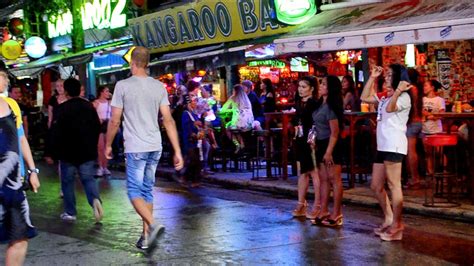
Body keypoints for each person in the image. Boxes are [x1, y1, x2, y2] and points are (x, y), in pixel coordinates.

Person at [105, 46, 184, 253]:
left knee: (133, 191)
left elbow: (114, 120)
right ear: (147, 64)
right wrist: (177, 150)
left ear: (132, 62)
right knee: (147, 190)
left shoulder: (122, 86)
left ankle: (153, 224)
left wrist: (107, 144)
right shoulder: (158, 87)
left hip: (135, 147)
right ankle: (146, 237)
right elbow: (168, 120)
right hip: (154, 146)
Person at [360, 64, 412, 241]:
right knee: (376, 185)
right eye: (386, 75)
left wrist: (397, 91)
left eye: (390, 75)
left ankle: (398, 225)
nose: (386, 77)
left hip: (394, 144)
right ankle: (389, 217)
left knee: (394, 184)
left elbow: (390, 109)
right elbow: (364, 97)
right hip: (382, 145)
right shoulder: (384, 96)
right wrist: (372, 77)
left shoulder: (404, 97)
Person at [0, 70, 40, 265]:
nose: (5, 80)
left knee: (20, 237)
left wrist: (32, 171)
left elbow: (21, 138)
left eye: (5, 77)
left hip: (14, 185)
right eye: (2, 76)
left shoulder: (11, 105)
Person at [51, 78, 103, 223]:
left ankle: (70, 212)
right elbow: (97, 127)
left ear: (66, 91)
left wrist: (52, 152)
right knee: (88, 179)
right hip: (86, 152)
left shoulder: (61, 109)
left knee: (67, 182)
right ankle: (95, 201)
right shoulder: (88, 106)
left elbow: (56, 132)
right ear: (79, 89)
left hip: (67, 153)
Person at [310, 75, 344, 227]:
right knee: (323, 179)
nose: (321, 86)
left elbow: (335, 132)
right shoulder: (320, 104)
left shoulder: (331, 107)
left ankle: (336, 213)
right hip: (320, 143)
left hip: (331, 144)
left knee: (334, 179)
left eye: (323, 84)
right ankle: (323, 210)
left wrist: (329, 151)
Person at [291, 76, 320, 219]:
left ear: (312, 88)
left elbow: (316, 122)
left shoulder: (315, 103)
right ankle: (301, 203)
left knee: (314, 172)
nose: (300, 89)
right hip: (300, 139)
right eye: (299, 86)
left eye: (304, 87)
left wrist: (313, 137)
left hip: (312, 139)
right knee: (302, 172)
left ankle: (318, 205)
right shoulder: (298, 103)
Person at [219, 84, 255, 153]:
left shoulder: (233, 98)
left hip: (240, 125)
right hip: (250, 125)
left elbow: (223, 110)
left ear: (235, 91)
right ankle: (242, 144)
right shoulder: (246, 99)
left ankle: (237, 144)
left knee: (228, 128)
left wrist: (231, 110)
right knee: (235, 128)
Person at [404, 69, 424, 189]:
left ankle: (414, 179)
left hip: (412, 122)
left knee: (410, 151)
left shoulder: (410, 88)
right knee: (416, 151)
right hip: (419, 121)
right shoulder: (417, 88)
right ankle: (415, 177)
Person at [422, 80, 445, 176]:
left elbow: (442, 114)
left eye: (426, 86)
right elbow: (421, 112)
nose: (424, 88)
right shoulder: (422, 99)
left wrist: (429, 116)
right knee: (428, 153)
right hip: (425, 130)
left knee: (440, 152)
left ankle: (443, 171)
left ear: (432, 87)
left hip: (437, 130)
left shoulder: (439, 100)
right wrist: (431, 116)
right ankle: (430, 173)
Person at [93, 86, 112, 177]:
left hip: (108, 125)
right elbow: (91, 115)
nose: (108, 93)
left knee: (107, 147)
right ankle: (100, 167)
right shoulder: (96, 103)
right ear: (101, 92)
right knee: (100, 148)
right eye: (106, 91)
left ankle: (105, 167)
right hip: (99, 126)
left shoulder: (110, 103)